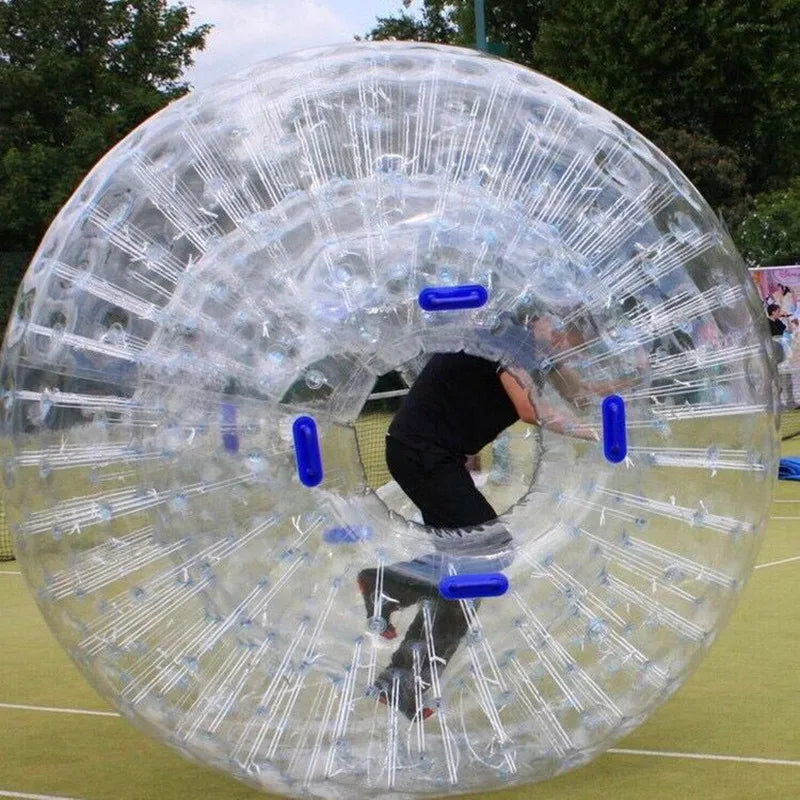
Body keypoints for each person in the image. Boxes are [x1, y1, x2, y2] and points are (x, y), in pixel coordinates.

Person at [357, 312, 638, 720]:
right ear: (540, 319)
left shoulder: (538, 351)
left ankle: (402, 682)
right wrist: (596, 434)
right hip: (421, 452)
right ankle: (385, 583)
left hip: (437, 456)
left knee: (469, 583)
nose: (562, 343)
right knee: (489, 551)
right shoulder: (507, 340)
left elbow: (579, 396)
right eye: (561, 334)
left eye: (571, 341)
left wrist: (634, 389)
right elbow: (528, 409)